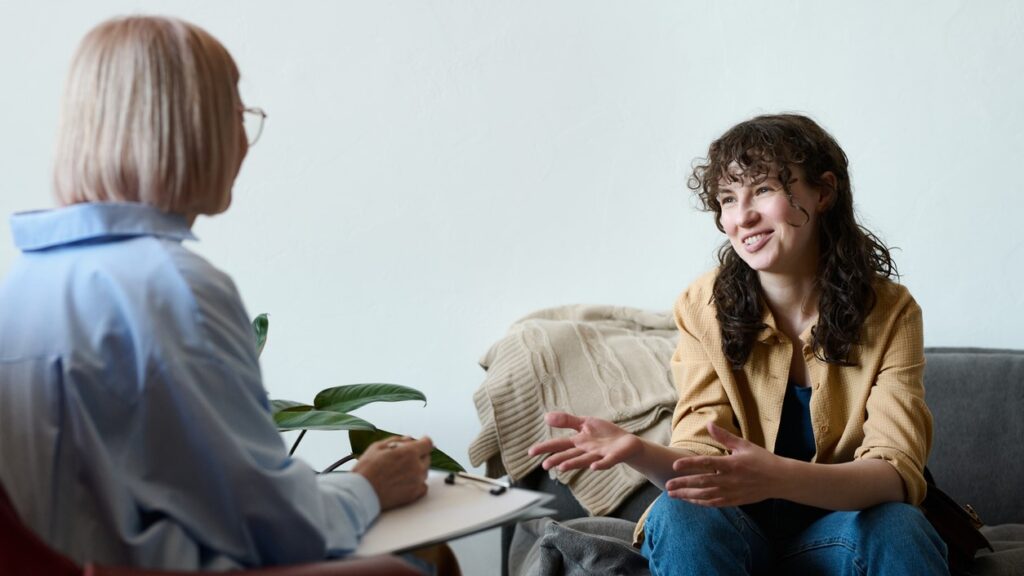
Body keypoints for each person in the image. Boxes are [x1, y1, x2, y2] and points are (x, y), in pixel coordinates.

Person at [0, 16, 432, 570]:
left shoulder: (22, 283)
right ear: (192, 126)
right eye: (237, 113)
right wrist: (368, 484)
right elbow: (279, 531)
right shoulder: (172, 290)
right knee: (416, 564)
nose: (244, 142)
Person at [529, 114, 948, 574]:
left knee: (898, 525)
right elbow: (698, 462)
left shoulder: (891, 311)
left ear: (824, 192)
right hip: (735, 537)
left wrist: (777, 477)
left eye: (763, 190)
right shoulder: (701, 306)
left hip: (838, 539)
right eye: (728, 198)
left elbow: (894, 474)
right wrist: (638, 451)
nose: (742, 217)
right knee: (679, 513)